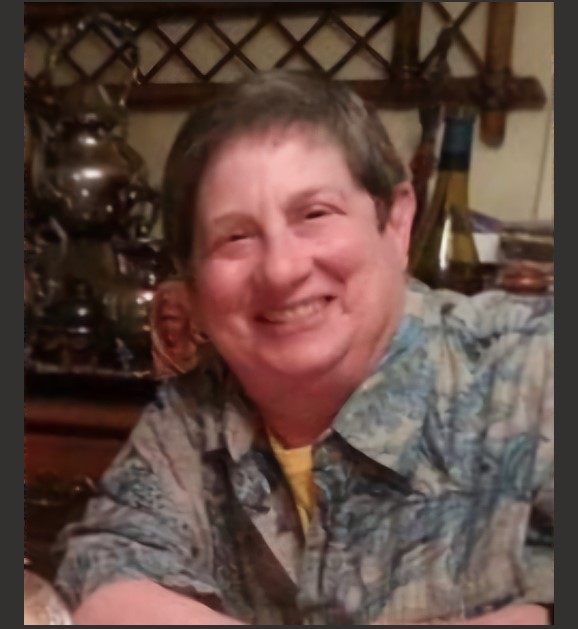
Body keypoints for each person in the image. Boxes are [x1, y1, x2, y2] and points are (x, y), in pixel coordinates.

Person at [54, 70, 554, 625]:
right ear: (192, 285)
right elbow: (101, 571)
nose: (281, 269)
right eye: (235, 237)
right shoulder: (195, 417)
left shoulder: (527, 369)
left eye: (315, 214)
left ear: (396, 222)